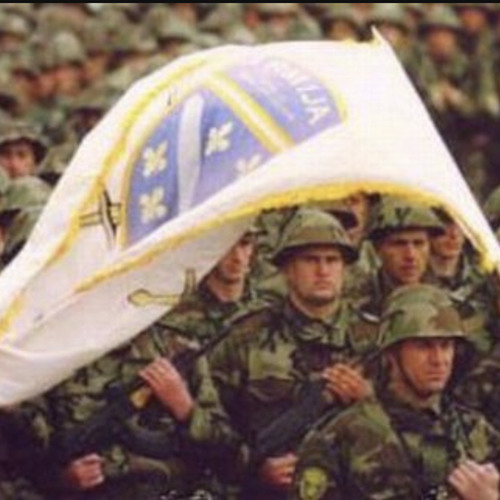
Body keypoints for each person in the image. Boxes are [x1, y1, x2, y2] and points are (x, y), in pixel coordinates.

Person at [212, 208, 379, 499]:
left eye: (332, 260)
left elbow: (417, 426)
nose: (323, 270)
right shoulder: (245, 337)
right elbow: (210, 430)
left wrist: (369, 401)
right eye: (311, 260)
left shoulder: (376, 338)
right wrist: (255, 469)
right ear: (288, 269)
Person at [292, 284, 500, 500]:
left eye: (446, 345)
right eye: (423, 346)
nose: (439, 360)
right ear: (392, 353)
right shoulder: (341, 438)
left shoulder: (476, 432)